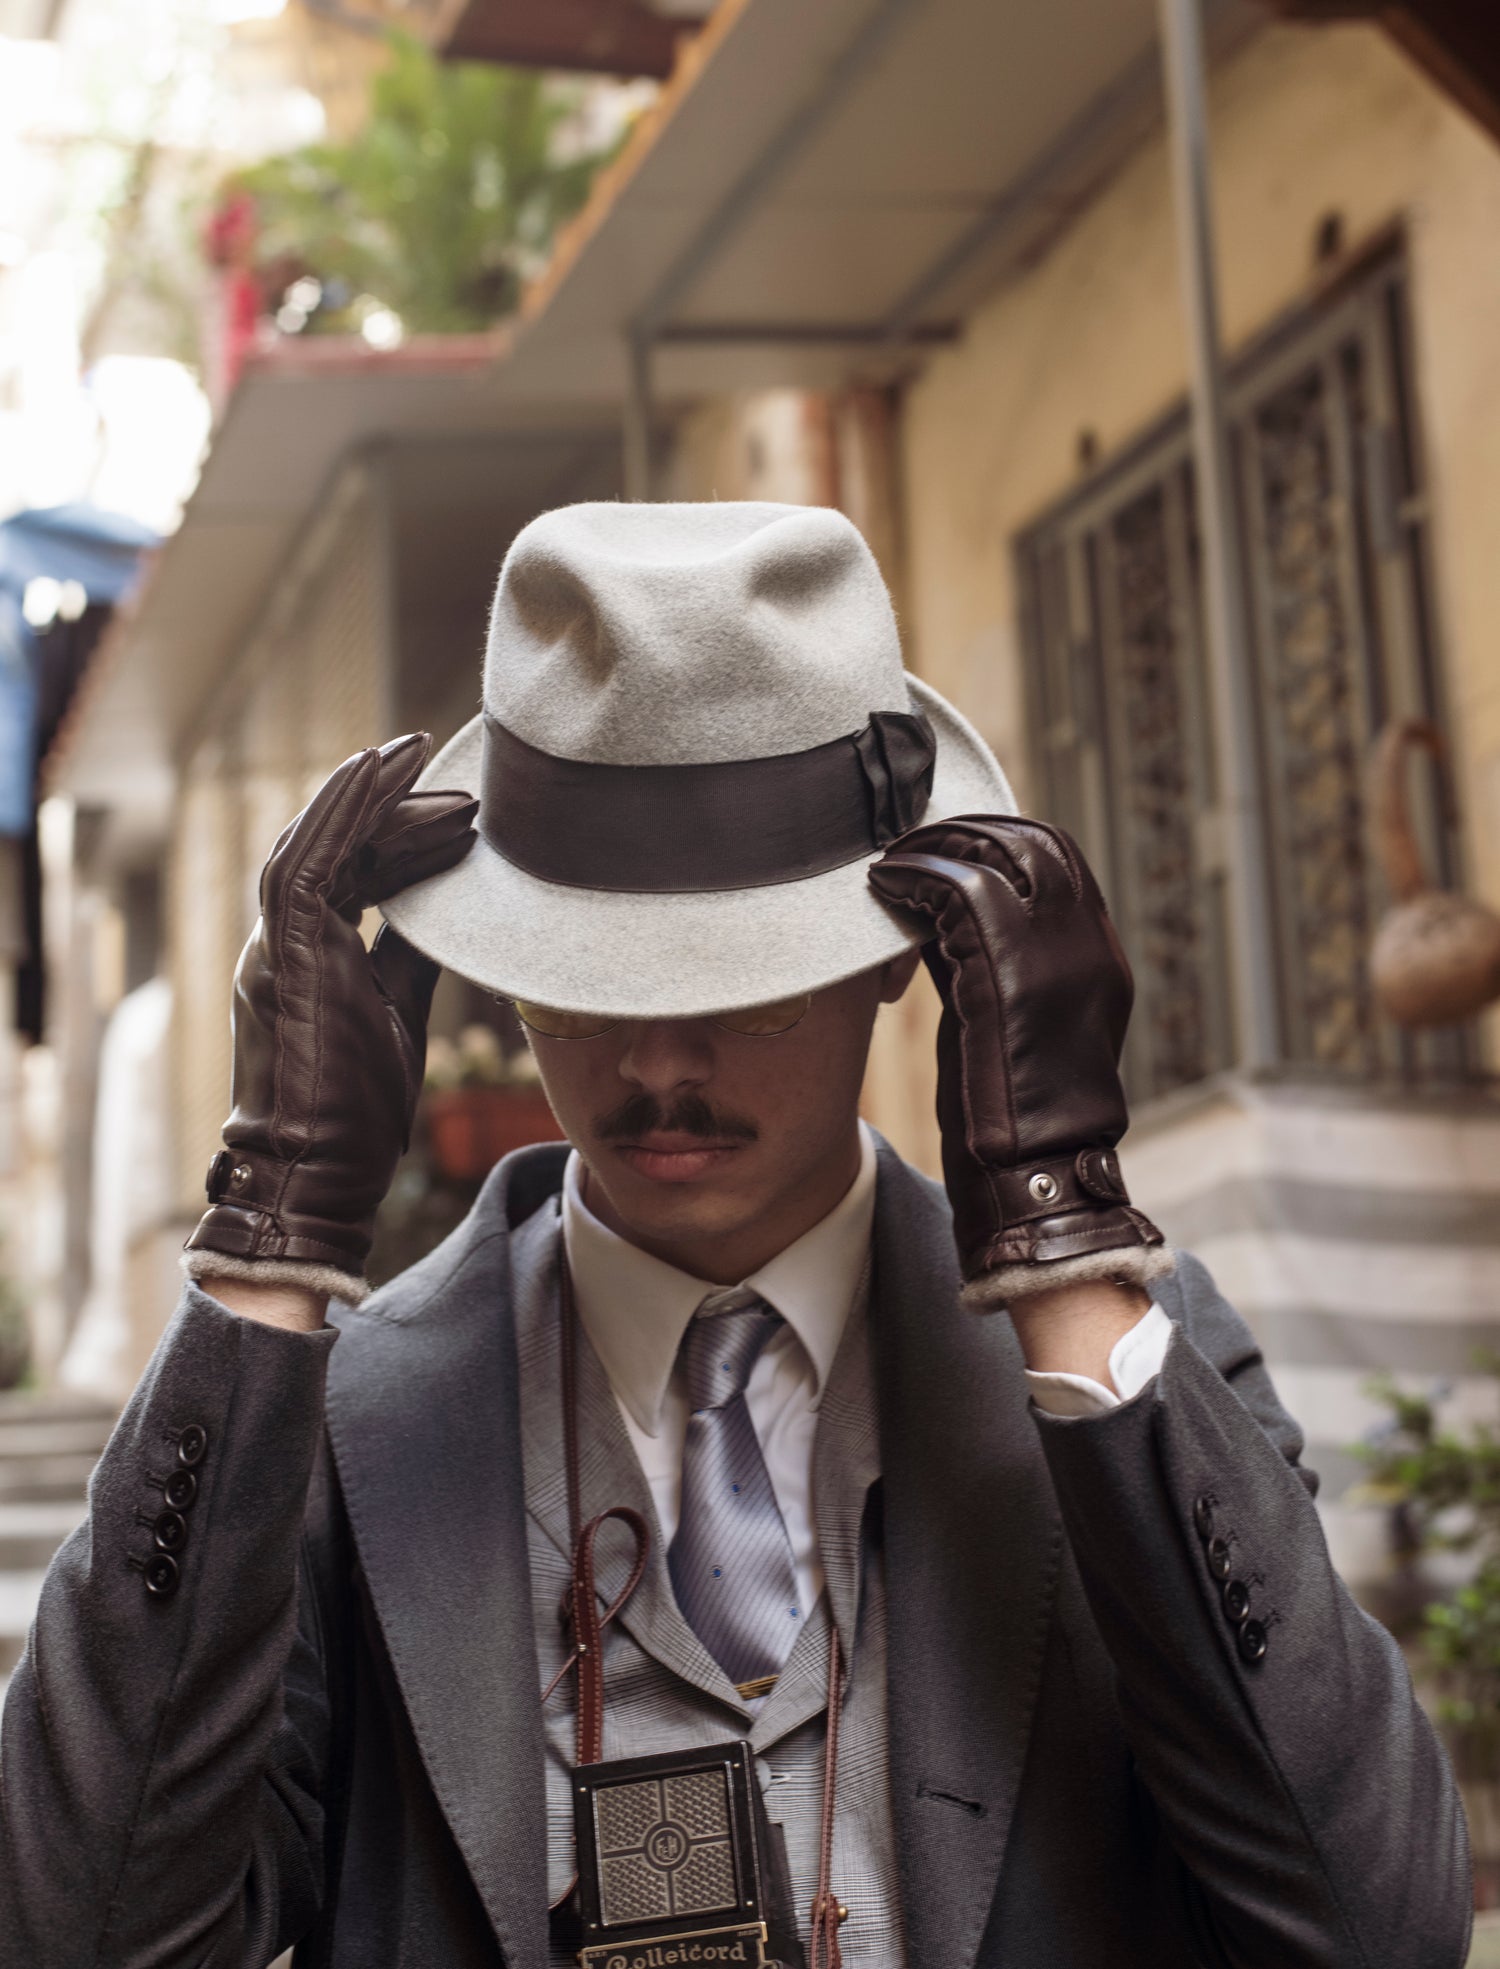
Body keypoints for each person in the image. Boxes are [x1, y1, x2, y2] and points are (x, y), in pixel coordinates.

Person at [0, 503, 1469, 1969]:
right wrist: (270, 1235)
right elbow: (80, 1929)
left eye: (742, 982)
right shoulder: (341, 1423)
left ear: (905, 955)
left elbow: (1372, 1929)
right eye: (584, 978)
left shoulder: (1134, 1378)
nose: (657, 1066)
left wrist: (1064, 1241)